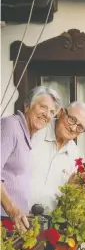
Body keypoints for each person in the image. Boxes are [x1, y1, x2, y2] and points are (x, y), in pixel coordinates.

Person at [1, 86, 62, 232]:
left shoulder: (27, 135)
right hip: (4, 218)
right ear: (27, 105)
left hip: (15, 221)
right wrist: (12, 210)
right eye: (43, 107)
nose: (47, 114)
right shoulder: (11, 126)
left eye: (52, 112)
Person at [31, 101, 85, 214]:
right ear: (61, 113)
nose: (73, 128)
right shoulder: (35, 133)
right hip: (12, 216)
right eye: (72, 120)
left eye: (80, 127)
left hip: (49, 223)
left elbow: (69, 196)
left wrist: (73, 188)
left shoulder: (76, 156)